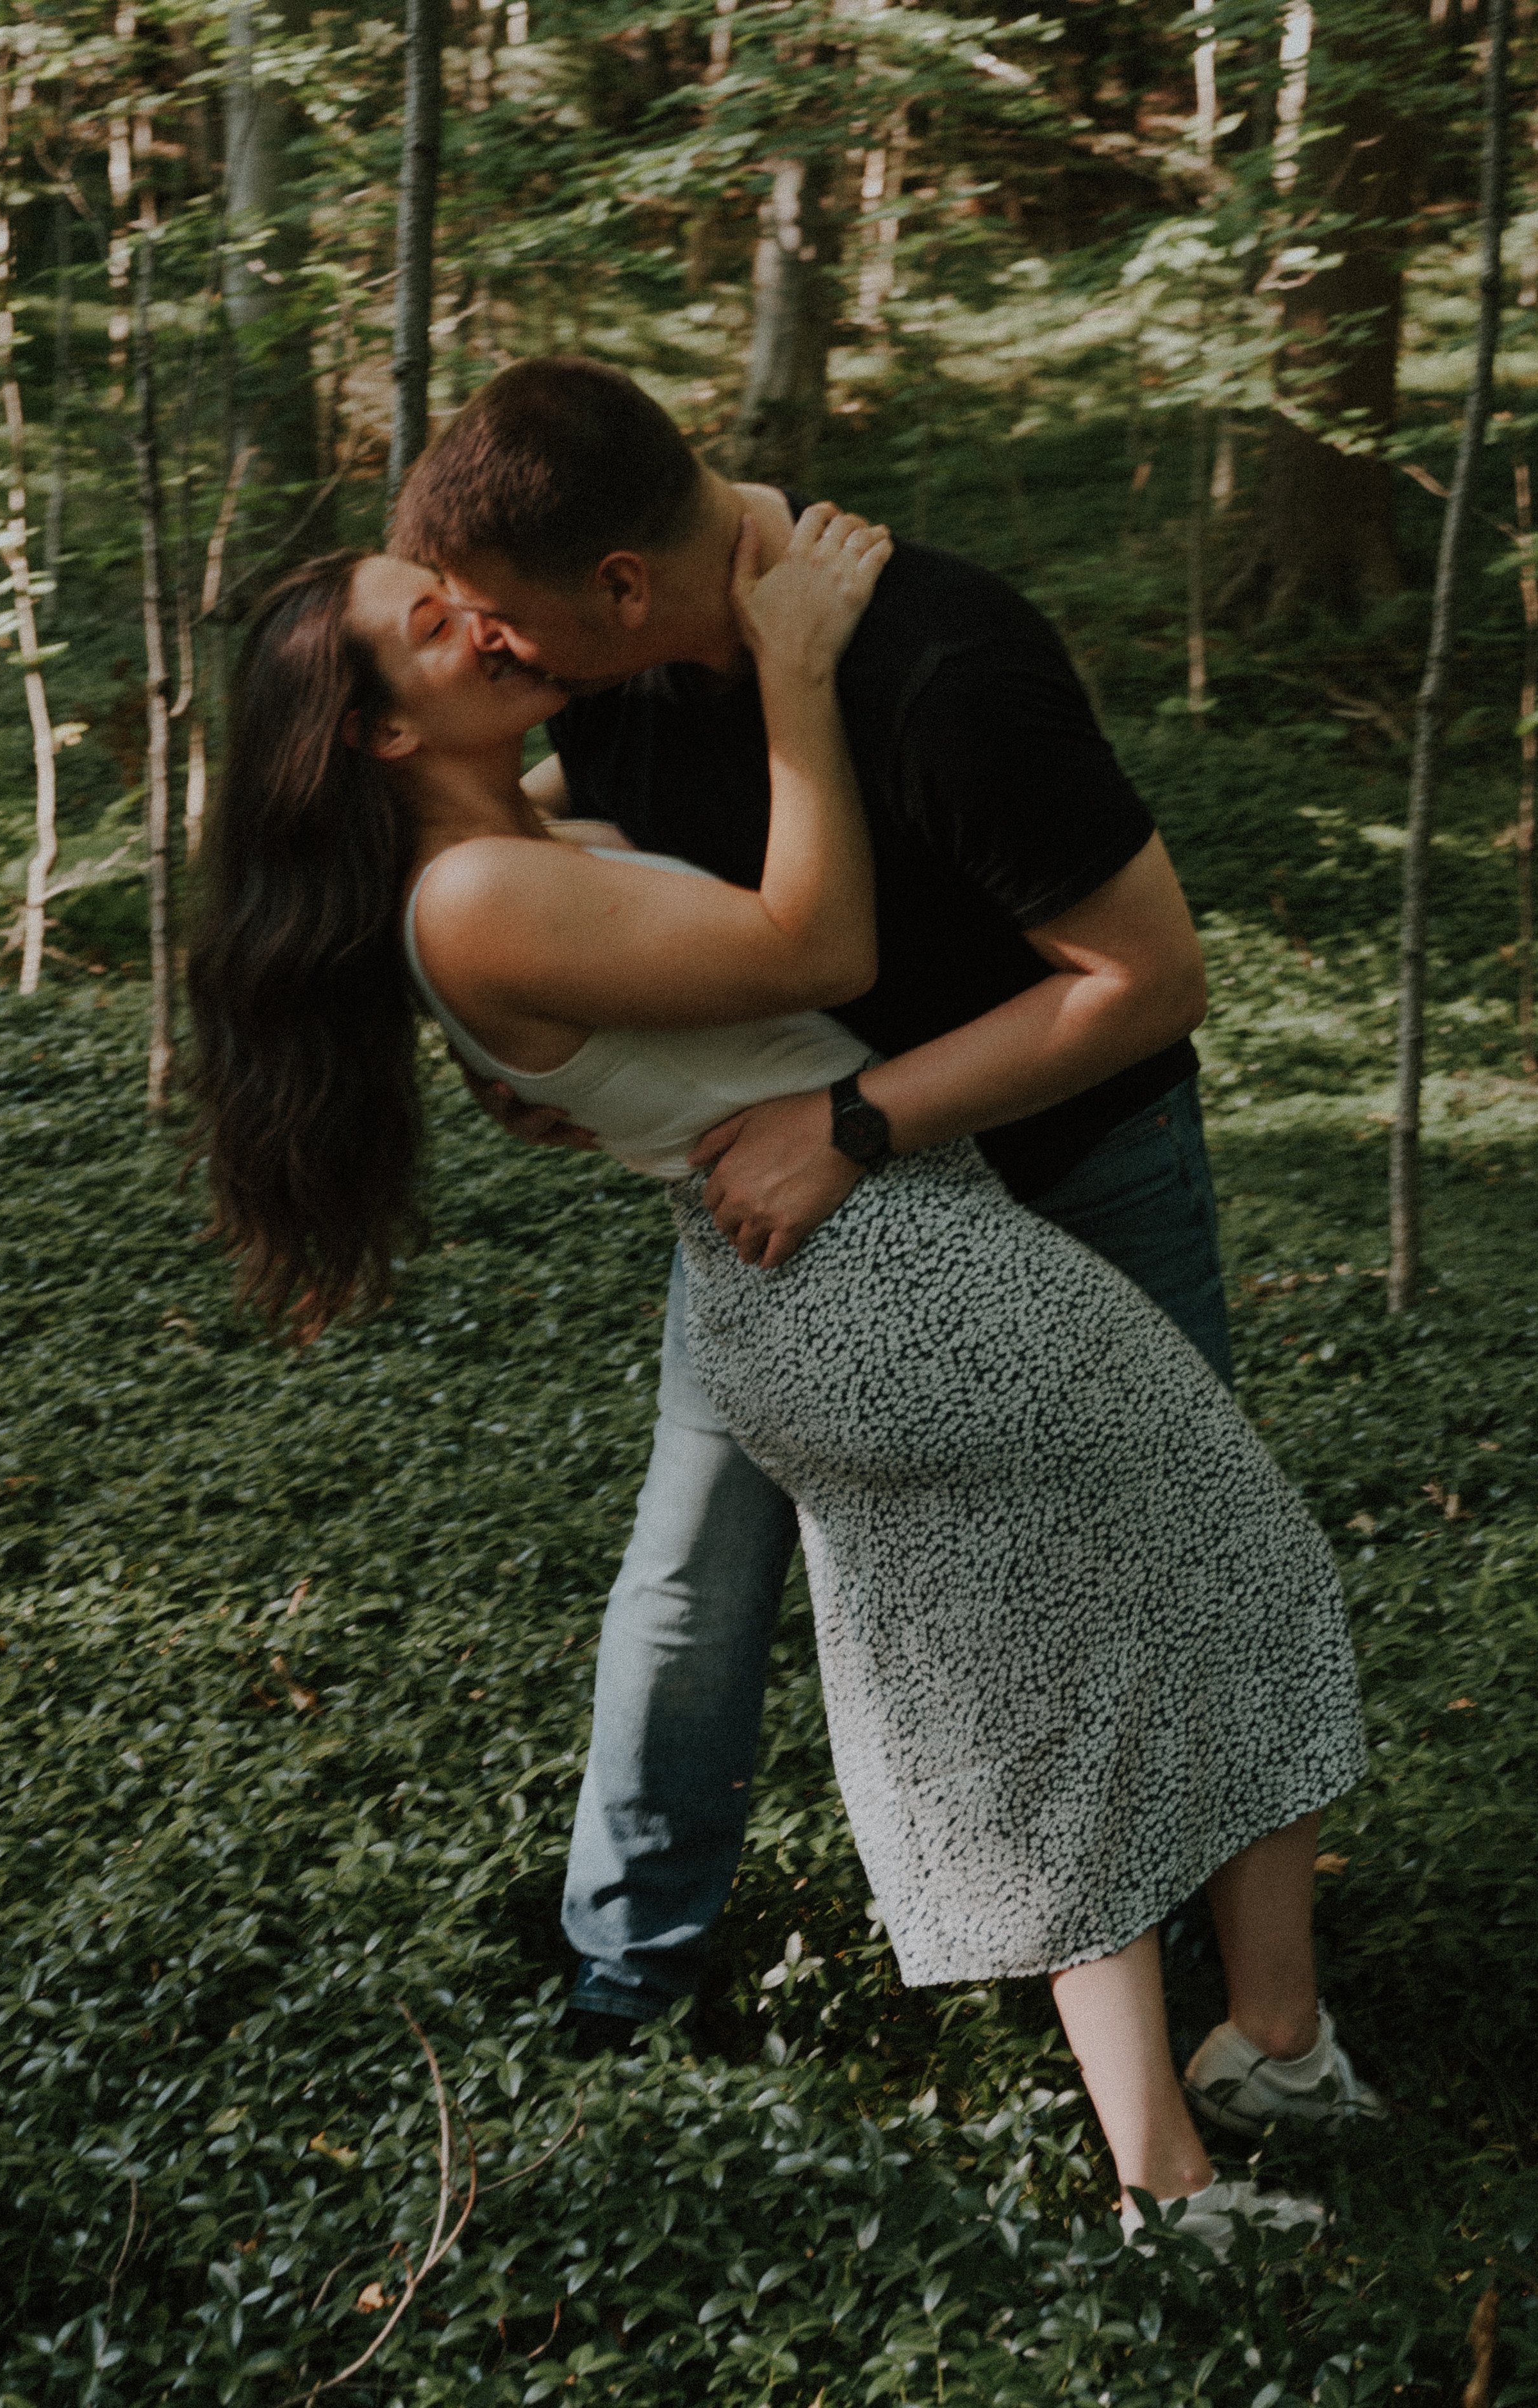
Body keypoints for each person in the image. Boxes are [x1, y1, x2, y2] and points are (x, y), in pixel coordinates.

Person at [186, 511, 1377, 2255]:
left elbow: (660, 1000)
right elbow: (814, 952)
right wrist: (804, 666)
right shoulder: (482, 891)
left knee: (1203, 1589)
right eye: (435, 629)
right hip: (885, 1281)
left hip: (878, 1265)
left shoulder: (538, 839)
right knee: (1071, 1680)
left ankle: (1264, 2049)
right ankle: (1166, 2180)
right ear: (376, 732)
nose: (486, 632)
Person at [386, 361, 1236, 2056]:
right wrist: (537, 1039)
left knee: (1154, 1563)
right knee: (695, 1573)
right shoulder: (608, 681)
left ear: (621, 585)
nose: (489, 648)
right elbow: (587, 865)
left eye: (500, 618)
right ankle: (628, 1966)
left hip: (1071, 1168)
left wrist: (849, 1118)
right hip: (789, 1210)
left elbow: (1147, 983)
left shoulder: (944, 667)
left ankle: (1199, 1979)